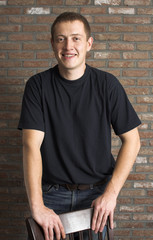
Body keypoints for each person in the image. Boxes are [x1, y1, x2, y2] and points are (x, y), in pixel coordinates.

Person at [18, 12, 141, 240]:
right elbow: (30, 146)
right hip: (51, 195)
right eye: (61, 38)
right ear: (52, 43)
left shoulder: (107, 85)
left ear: (89, 43)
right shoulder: (37, 86)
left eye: (76, 38)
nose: (68, 46)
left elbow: (132, 140)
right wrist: (37, 206)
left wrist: (111, 194)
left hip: (97, 195)